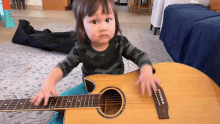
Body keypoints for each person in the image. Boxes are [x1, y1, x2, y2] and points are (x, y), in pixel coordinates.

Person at [30, 0, 161, 123]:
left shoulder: (120, 43)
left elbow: (140, 56)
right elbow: (64, 66)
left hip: (119, 88)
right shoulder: (81, 48)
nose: (103, 27)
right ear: (82, 27)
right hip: (90, 89)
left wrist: (146, 71)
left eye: (108, 20)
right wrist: (49, 83)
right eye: (94, 22)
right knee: (62, 101)